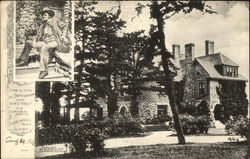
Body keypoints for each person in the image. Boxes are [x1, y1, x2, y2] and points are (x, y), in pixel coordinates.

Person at [16, 8, 69, 79]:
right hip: (45, 42)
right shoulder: (42, 26)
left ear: (49, 16)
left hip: (54, 42)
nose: (43, 16)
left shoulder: (55, 22)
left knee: (44, 48)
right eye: (42, 15)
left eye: (45, 15)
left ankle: (44, 71)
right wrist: (34, 42)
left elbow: (65, 26)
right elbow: (38, 36)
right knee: (28, 42)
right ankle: (23, 60)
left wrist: (63, 36)